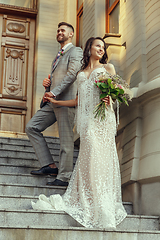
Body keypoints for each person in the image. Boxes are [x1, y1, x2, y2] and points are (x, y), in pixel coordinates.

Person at [31, 37, 127, 229]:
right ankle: (89, 197)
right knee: (89, 155)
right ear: (89, 47)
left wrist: (110, 96)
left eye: (103, 47)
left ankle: (101, 200)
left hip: (102, 120)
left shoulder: (108, 68)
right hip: (87, 121)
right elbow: (78, 100)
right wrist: (57, 103)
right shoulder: (81, 73)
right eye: (98, 45)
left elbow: (121, 91)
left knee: (100, 157)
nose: (101, 49)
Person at [25, 22, 83, 186]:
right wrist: (47, 84)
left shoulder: (76, 51)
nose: (59, 32)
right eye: (58, 30)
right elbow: (57, 77)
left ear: (71, 34)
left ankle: (64, 177)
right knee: (32, 127)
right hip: (52, 101)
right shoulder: (57, 55)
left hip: (65, 102)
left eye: (62, 30)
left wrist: (54, 92)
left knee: (66, 141)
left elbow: (72, 75)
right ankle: (49, 165)